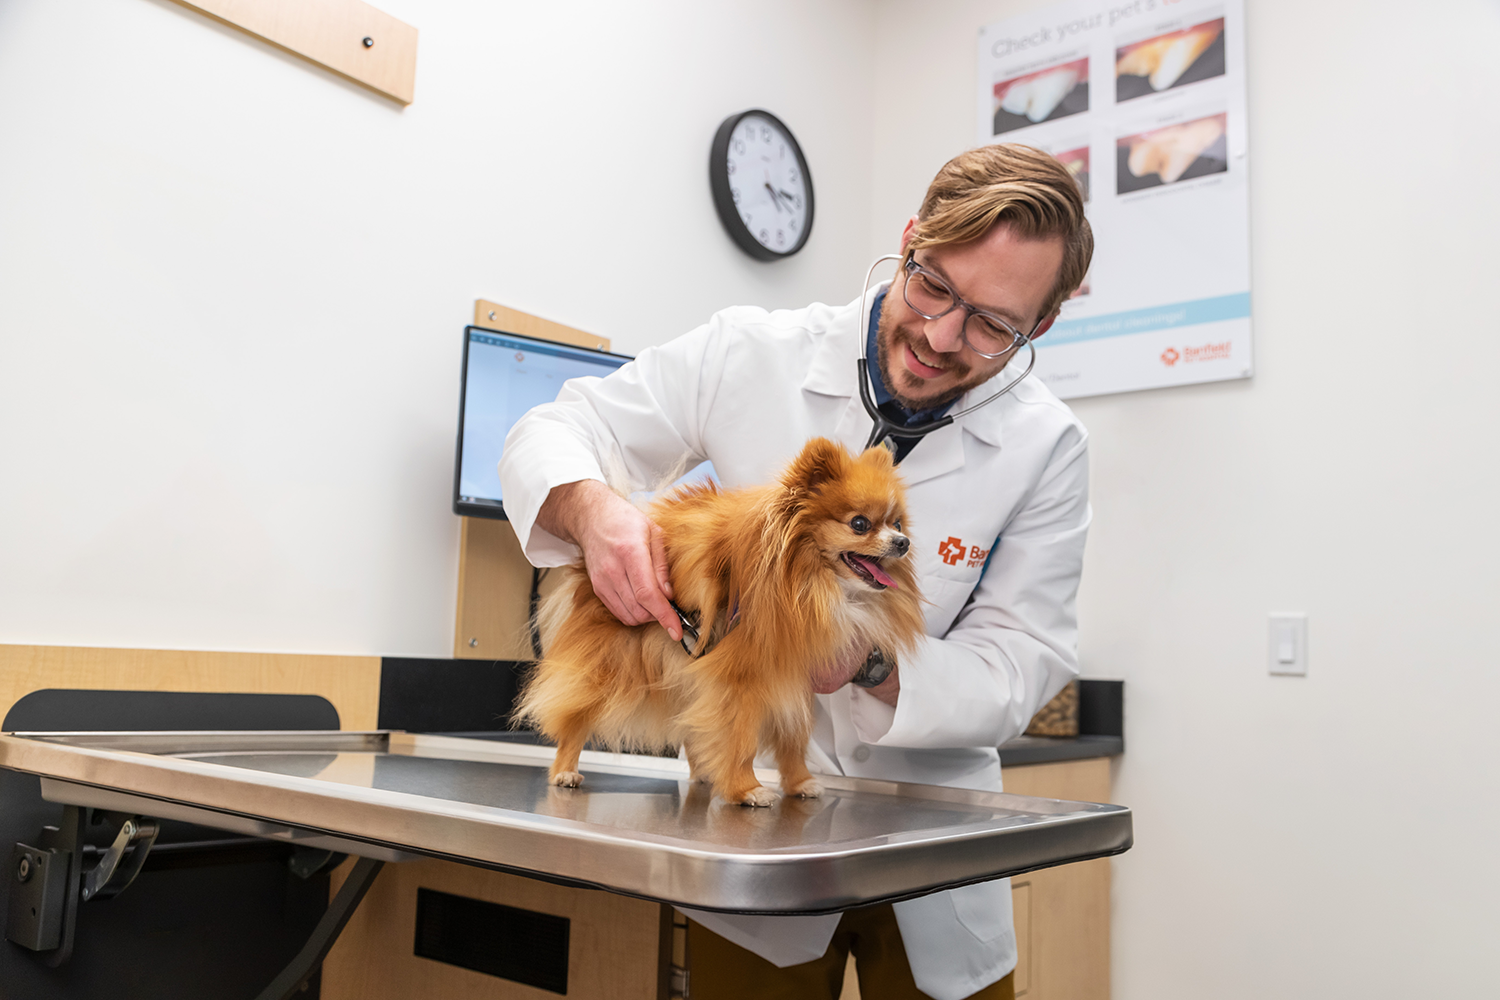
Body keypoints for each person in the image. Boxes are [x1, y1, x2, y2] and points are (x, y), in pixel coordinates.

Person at [499, 143, 1094, 1000]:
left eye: (992, 326)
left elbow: (1024, 656)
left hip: (929, 834)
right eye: (931, 286)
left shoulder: (1048, 446)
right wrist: (596, 515)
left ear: (1039, 326)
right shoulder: (750, 352)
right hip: (753, 842)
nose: (938, 337)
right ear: (910, 240)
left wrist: (870, 665)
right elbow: (556, 430)